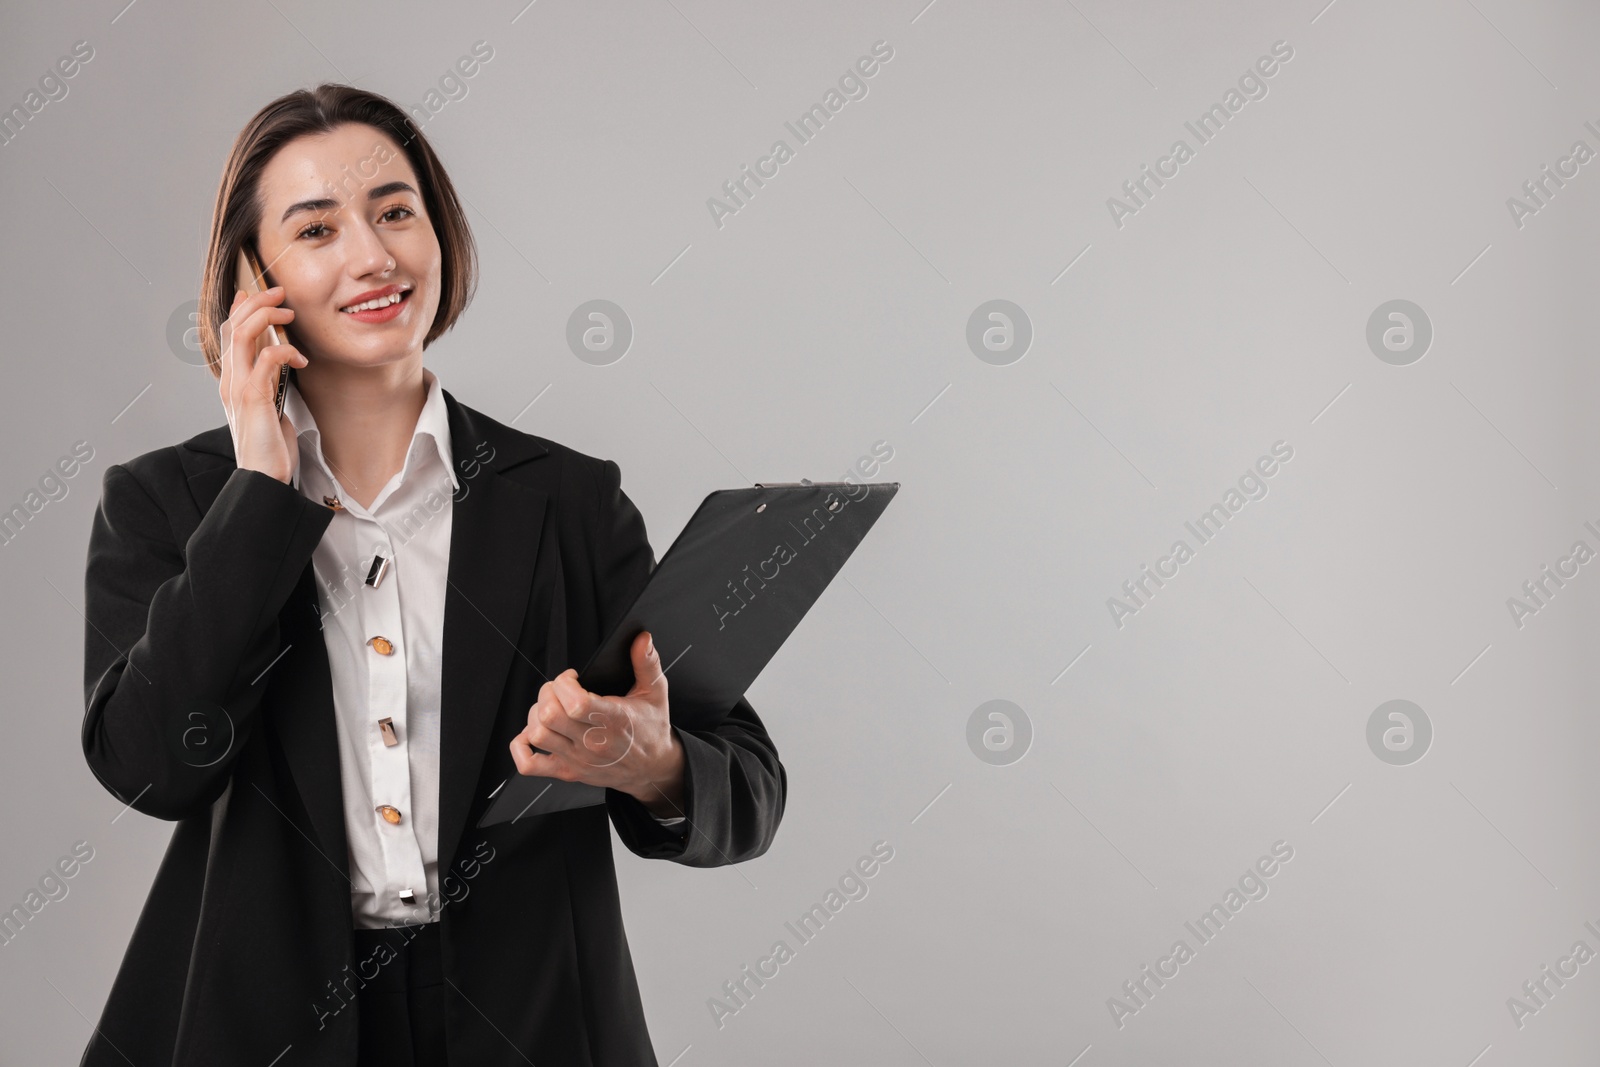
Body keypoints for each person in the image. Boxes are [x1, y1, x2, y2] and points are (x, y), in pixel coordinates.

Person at [78, 83, 786, 1066]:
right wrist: (261, 491)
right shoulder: (170, 503)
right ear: (252, 278)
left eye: (395, 211)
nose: (374, 255)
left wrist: (647, 762)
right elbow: (151, 765)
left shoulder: (570, 503)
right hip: (270, 1022)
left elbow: (747, 784)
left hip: (531, 1023)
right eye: (317, 229)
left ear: (438, 231)